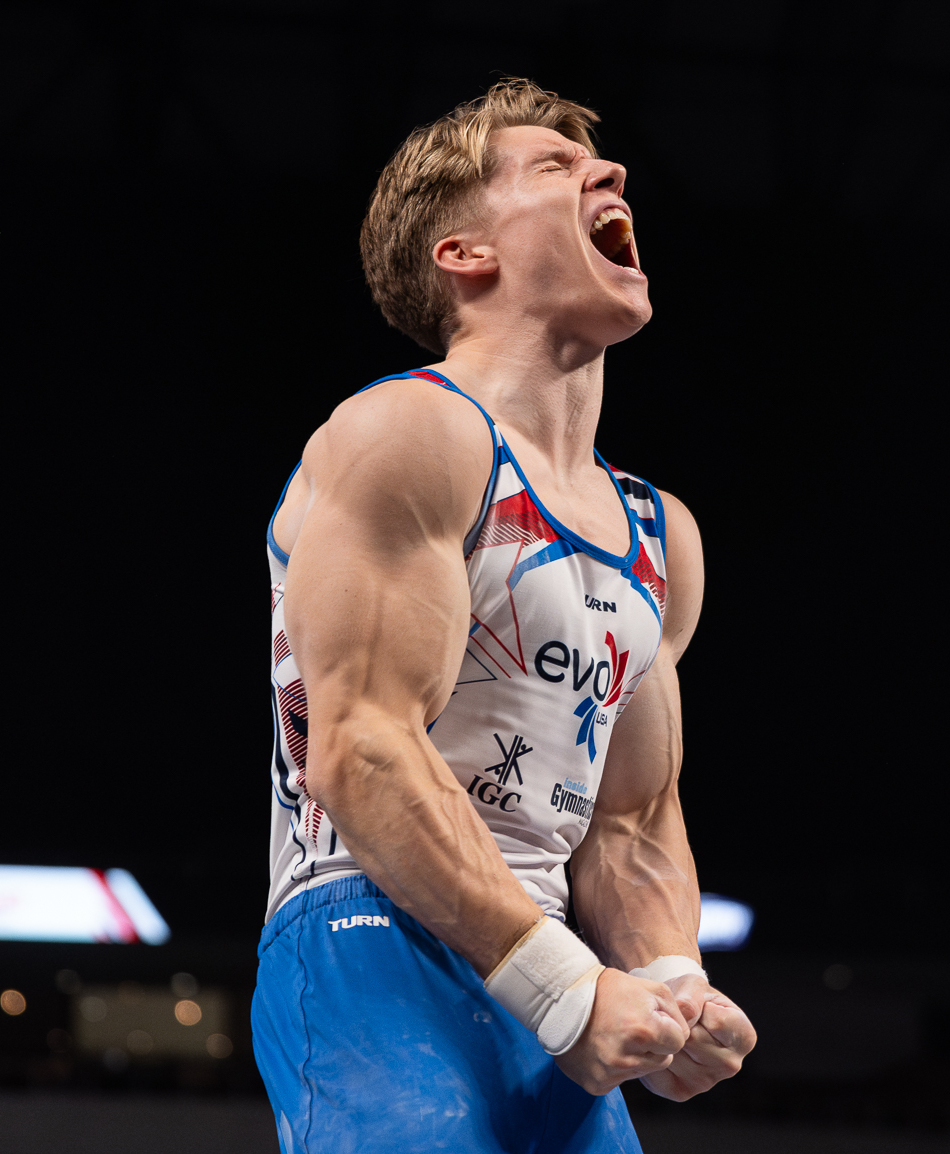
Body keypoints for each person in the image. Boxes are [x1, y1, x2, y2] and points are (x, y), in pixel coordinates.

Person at [252, 78, 756, 1153]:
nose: (609, 171)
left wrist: (672, 978)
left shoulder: (658, 533)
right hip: (367, 926)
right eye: (555, 167)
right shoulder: (405, 432)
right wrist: (566, 985)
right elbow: (360, 747)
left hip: (546, 954)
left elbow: (630, 821)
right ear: (464, 254)